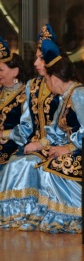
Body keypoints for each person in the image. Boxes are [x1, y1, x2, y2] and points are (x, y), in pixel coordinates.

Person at [0, 37, 84, 233]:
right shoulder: (66, 97)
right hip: (75, 148)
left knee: (48, 168)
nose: (47, 84)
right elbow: (55, 130)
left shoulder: (81, 94)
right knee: (24, 162)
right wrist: (41, 144)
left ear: (55, 78)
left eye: (48, 80)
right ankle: (26, 213)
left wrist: (68, 148)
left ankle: (73, 214)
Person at [0, 38, 28, 169]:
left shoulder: (26, 95)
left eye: (1, 70)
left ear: (15, 72)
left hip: (12, 156)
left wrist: (3, 134)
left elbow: (28, 129)